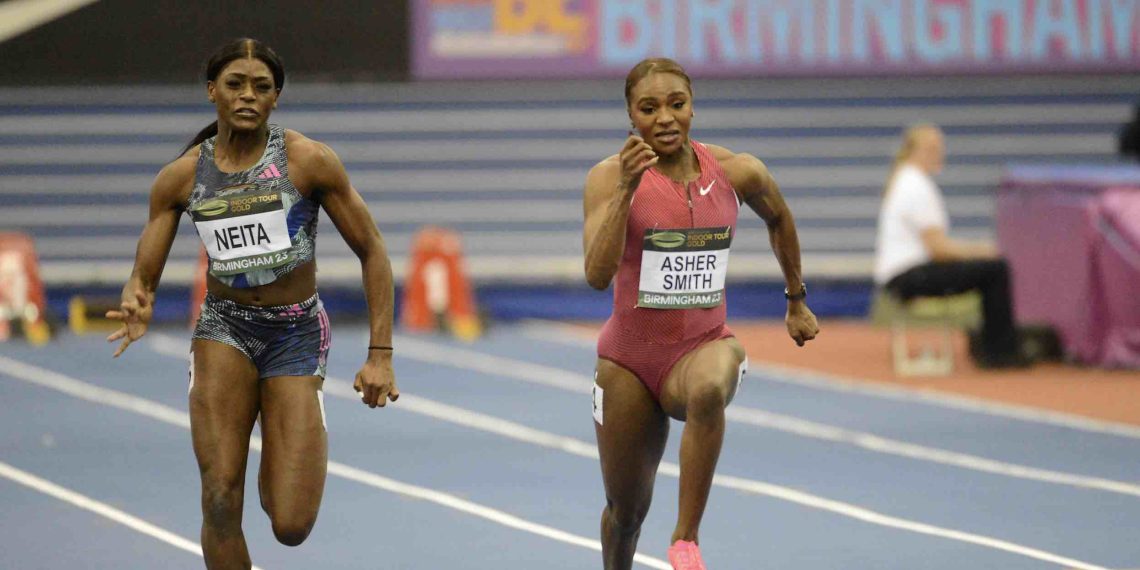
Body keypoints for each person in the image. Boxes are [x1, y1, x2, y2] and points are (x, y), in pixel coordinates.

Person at [106, 38, 399, 568]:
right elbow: (143, 273)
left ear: (276, 99)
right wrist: (137, 297)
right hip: (225, 329)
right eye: (236, 85)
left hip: (296, 333)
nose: (247, 96)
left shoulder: (309, 162)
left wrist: (381, 352)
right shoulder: (181, 177)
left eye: (261, 87)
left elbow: (373, 250)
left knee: (290, 524)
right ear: (212, 91)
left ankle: (282, 440)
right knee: (219, 498)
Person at [582, 57, 819, 570]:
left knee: (711, 387)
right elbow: (597, 275)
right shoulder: (606, 179)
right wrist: (627, 189)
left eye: (676, 104)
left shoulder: (738, 171)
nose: (665, 118)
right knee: (625, 512)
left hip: (703, 344)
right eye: (649, 108)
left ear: (692, 108)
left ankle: (686, 540)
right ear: (630, 117)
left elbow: (779, 217)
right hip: (628, 360)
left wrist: (795, 297)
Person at [872, 123, 1025, 367]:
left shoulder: (905, 179)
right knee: (995, 269)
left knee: (985, 269)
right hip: (909, 276)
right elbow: (939, 250)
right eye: (932, 148)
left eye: (940, 147)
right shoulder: (916, 186)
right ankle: (999, 353)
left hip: (902, 274)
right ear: (915, 150)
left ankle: (987, 343)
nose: (939, 153)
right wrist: (979, 250)